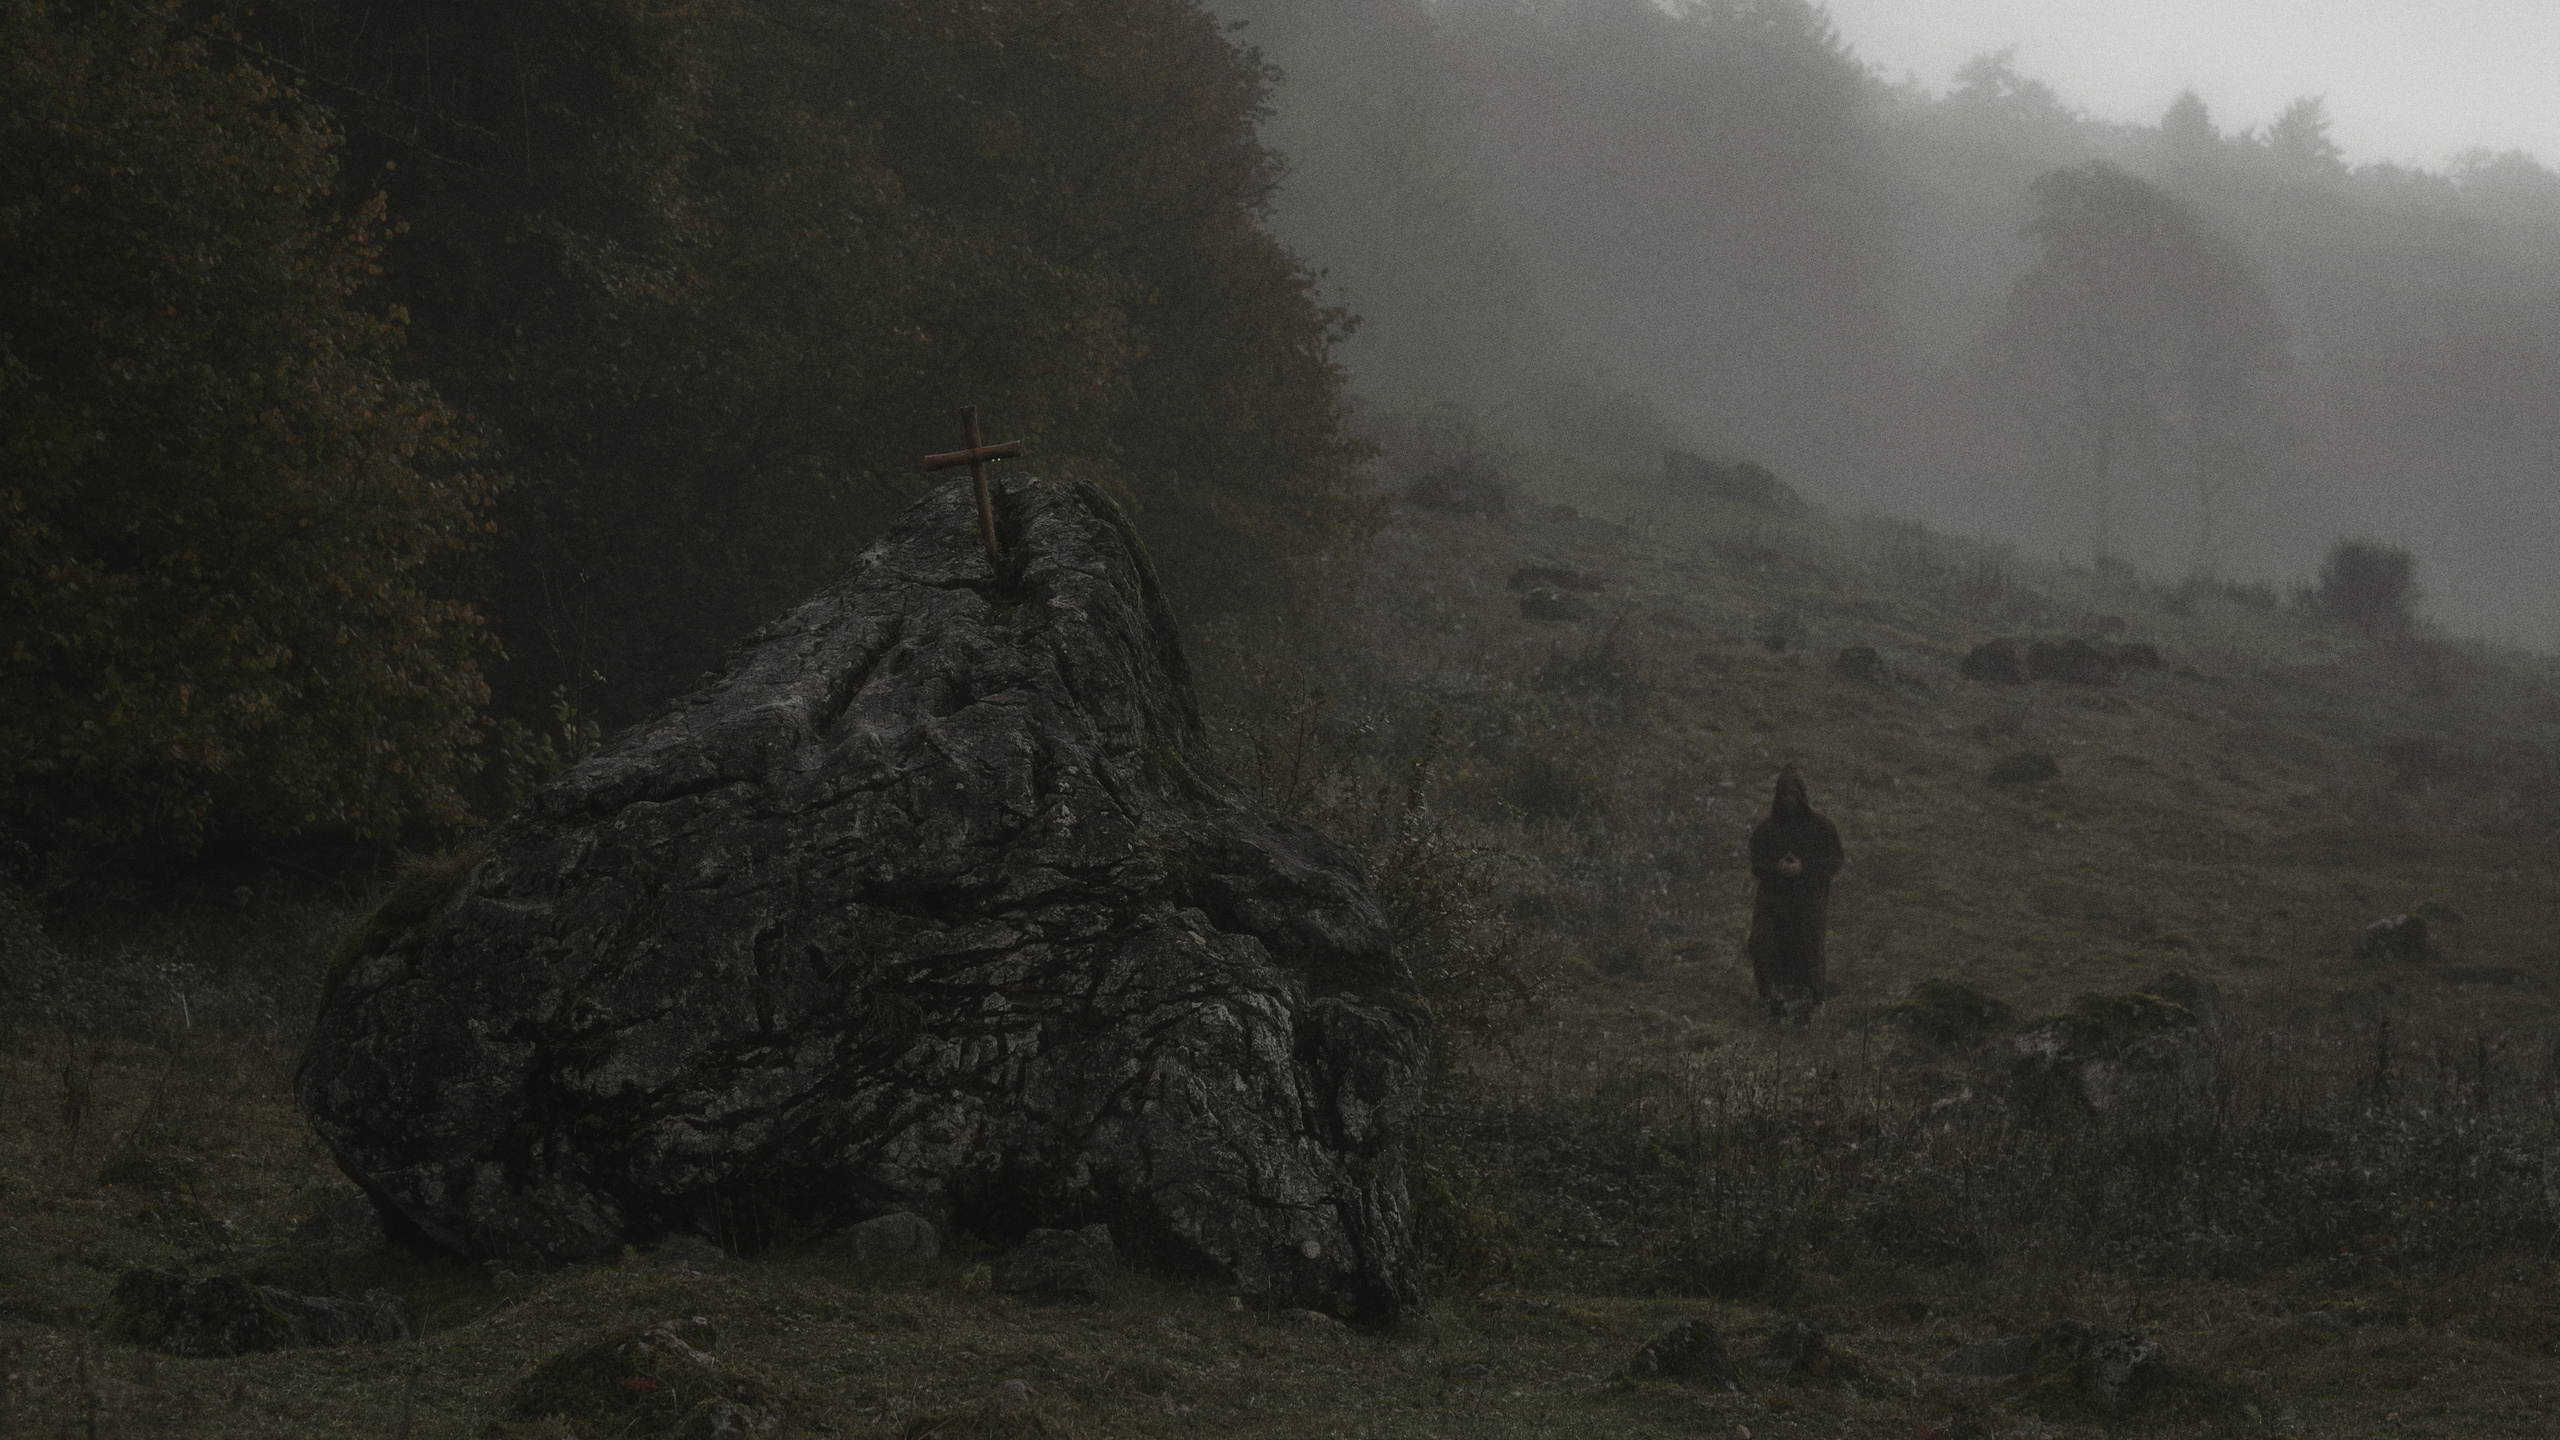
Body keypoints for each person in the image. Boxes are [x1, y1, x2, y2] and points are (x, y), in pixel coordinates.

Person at [1746, 763, 1843, 1022]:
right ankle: (1772, 1001)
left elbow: (1834, 861)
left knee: (1808, 953)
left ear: (1801, 796)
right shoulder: (1767, 830)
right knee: (1763, 946)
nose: (1788, 800)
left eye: (1792, 794)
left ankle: (1810, 1008)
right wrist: (1776, 868)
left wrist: (1804, 868)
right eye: (1783, 794)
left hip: (1808, 902)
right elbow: (1757, 863)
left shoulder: (1821, 827)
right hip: (1772, 902)